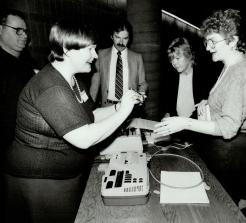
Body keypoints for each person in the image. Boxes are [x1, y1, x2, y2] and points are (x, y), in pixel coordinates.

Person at [3, 19, 142, 223]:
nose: (95, 55)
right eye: (91, 49)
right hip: (39, 183)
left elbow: (91, 116)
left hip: (61, 178)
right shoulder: (52, 87)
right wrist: (124, 113)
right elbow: (84, 137)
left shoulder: (73, 80)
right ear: (68, 49)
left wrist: (118, 106)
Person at [155, 9, 246, 206]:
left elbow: (229, 128)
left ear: (233, 41)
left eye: (213, 42)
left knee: (220, 207)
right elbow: (227, 102)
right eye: (207, 42)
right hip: (221, 148)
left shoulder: (241, 74)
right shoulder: (232, 66)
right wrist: (209, 105)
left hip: (230, 151)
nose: (208, 48)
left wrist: (185, 122)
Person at [0, 8, 36, 158]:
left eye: (25, 31)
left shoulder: (25, 62)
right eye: (17, 30)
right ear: (0, 30)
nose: (24, 36)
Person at [89, 19, 148, 109]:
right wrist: (89, 108)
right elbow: (95, 84)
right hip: (107, 107)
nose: (121, 42)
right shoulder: (101, 55)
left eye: (125, 38)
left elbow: (142, 83)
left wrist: (141, 95)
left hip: (129, 108)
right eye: (117, 37)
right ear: (112, 36)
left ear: (129, 38)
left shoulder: (137, 57)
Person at [163, 37, 212, 119]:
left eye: (178, 58)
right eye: (172, 59)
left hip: (196, 126)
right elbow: (169, 105)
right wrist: (167, 114)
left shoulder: (204, 76)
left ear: (189, 55)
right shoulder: (171, 77)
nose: (174, 63)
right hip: (176, 125)